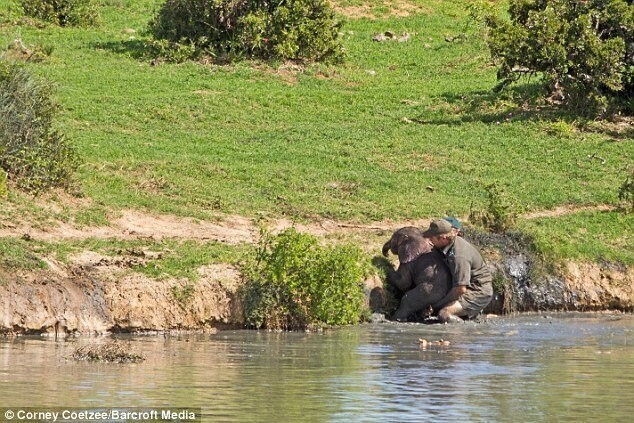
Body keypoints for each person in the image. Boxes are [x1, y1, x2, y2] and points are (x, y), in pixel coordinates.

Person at [422, 219, 493, 323]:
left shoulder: (459, 256)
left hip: (478, 292)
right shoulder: (448, 244)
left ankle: (462, 330)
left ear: (443, 238)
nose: (429, 239)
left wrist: (436, 306)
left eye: (431, 237)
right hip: (466, 287)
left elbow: (460, 289)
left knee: (444, 314)